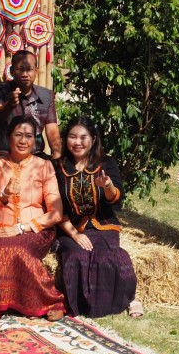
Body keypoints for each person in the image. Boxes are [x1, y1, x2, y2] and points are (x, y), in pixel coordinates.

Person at [55, 116, 141, 318]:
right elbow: (55, 207)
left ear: (93, 139)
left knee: (107, 256)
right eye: (72, 137)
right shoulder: (58, 167)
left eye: (83, 137)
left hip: (103, 225)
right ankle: (81, 305)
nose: (77, 142)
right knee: (77, 256)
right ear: (66, 139)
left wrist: (108, 186)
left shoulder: (106, 164)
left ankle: (130, 298)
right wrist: (75, 235)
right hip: (71, 228)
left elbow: (116, 198)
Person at [0, 116, 66, 321]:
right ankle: (16, 304)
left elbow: (56, 212)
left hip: (37, 229)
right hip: (2, 228)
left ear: (35, 140)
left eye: (29, 136)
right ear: (8, 137)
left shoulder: (44, 166)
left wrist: (21, 228)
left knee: (19, 249)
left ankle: (52, 301)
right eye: (18, 135)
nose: (23, 141)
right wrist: (4, 194)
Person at [0, 50, 62, 159]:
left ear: (36, 71)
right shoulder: (0, 89)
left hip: (35, 154)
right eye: (19, 69)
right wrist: (9, 105)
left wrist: (57, 153)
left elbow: (52, 128)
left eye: (29, 69)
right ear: (12, 71)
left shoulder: (46, 95)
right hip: (5, 154)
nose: (24, 74)